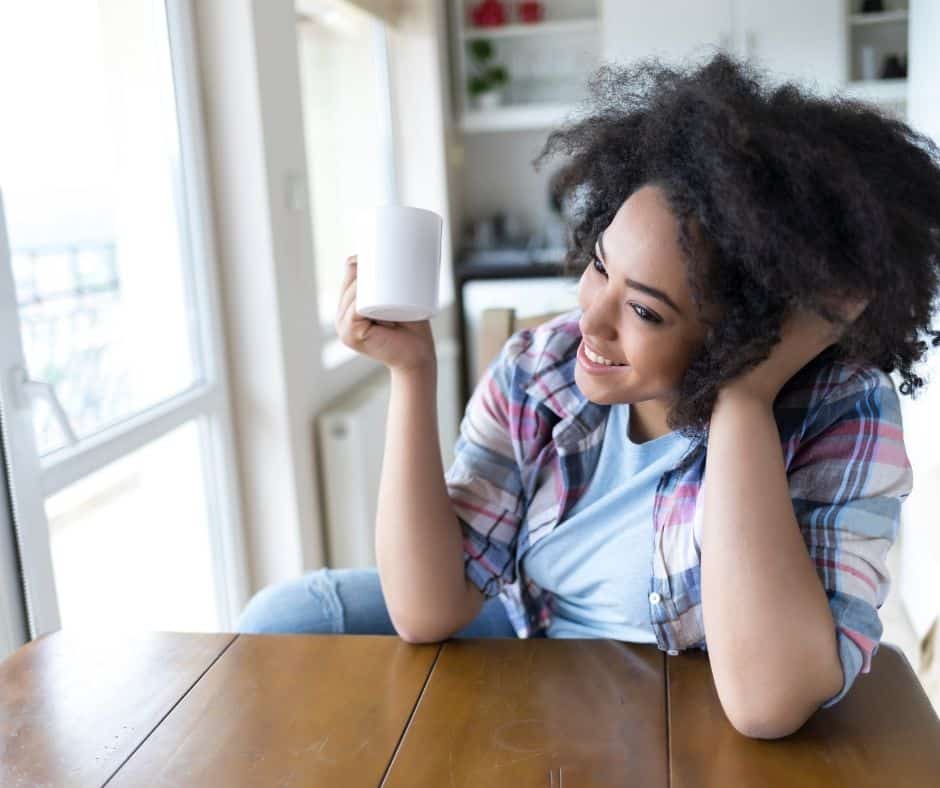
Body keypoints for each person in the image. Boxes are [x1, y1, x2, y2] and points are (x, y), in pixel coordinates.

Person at [235, 52, 940, 738]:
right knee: (283, 617)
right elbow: (427, 609)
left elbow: (766, 702)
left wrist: (746, 397)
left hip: (681, 698)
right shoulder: (538, 370)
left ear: (749, 328)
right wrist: (411, 373)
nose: (590, 321)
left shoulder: (840, 412)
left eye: (645, 311)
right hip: (528, 629)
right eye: (601, 266)